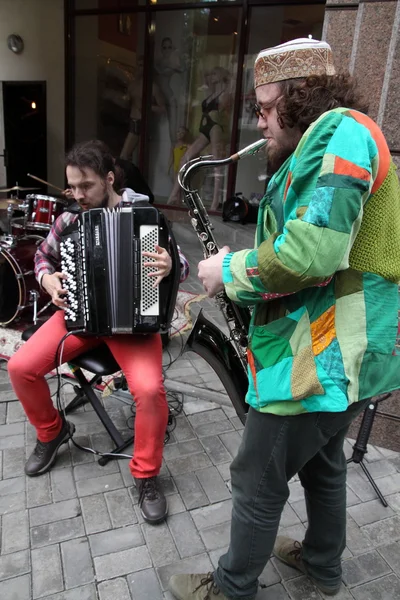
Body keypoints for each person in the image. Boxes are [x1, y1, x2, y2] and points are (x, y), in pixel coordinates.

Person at [168, 38, 400, 599]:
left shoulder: (342, 131)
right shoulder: (330, 141)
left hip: (323, 355)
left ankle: (232, 587)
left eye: (267, 109)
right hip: (338, 351)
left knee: (255, 477)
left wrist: (231, 269)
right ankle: (323, 565)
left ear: (301, 98)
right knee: (323, 466)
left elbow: (313, 253)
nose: (261, 122)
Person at [8, 140, 189, 525]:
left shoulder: (144, 215)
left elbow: (183, 264)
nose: (77, 195)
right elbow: (44, 255)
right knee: (21, 367)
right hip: (79, 315)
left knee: (149, 391)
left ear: (109, 178)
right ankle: (52, 432)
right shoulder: (70, 218)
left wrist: (171, 264)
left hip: (133, 326)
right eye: (71, 187)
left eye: (85, 186)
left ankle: (146, 474)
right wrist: (48, 280)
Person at [168, 67, 232, 210]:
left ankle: (215, 201)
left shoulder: (225, 93)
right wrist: (207, 73)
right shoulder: (212, 92)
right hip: (205, 128)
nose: (212, 76)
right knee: (186, 157)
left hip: (215, 127)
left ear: (221, 76)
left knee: (217, 163)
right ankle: (174, 194)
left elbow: (225, 112)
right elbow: (204, 78)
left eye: (215, 73)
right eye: (212, 74)